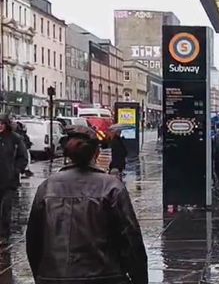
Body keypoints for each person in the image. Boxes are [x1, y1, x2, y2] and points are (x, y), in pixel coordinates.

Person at [26, 126, 148, 284]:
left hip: (54, 275)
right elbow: (130, 239)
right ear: (96, 154)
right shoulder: (112, 187)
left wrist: (42, 275)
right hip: (105, 275)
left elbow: (33, 240)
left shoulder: (47, 187)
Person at [0, 115, 28, 244]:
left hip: (9, 180)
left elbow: (23, 157)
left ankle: (4, 234)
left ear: (6, 124)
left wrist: (16, 170)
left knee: (6, 207)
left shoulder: (15, 139)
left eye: (2, 123)